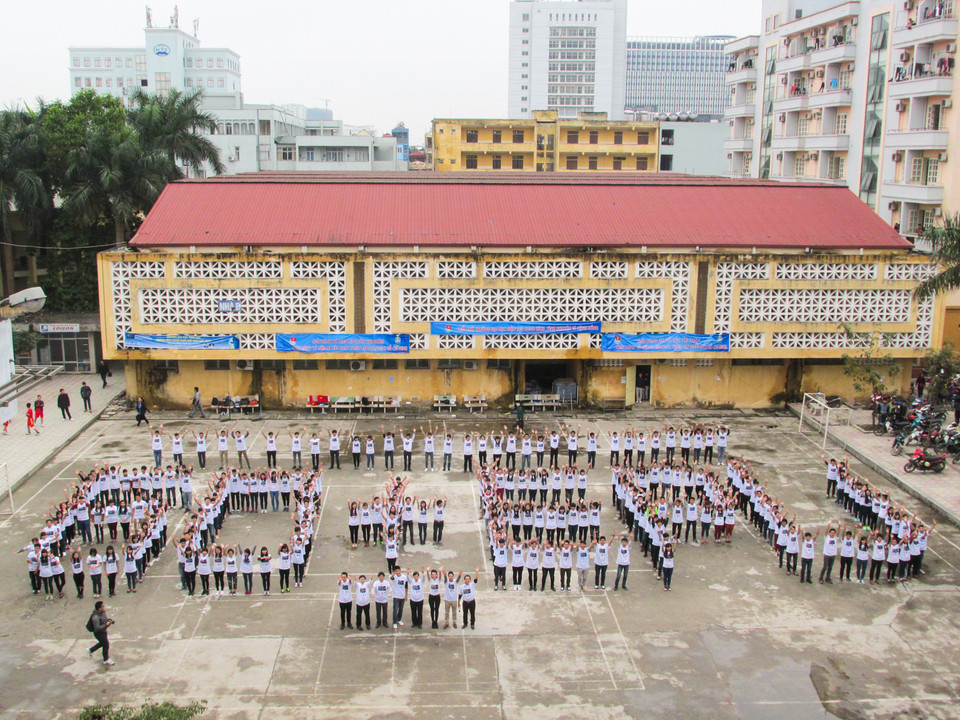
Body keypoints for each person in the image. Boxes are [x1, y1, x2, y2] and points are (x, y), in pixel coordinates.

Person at [87, 600, 115, 665]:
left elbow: (105, 619)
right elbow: (97, 628)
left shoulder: (103, 612)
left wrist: (110, 621)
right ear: (99, 608)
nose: (104, 607)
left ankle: (90, 650)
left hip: (103, 631)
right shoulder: (95, 617)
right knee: (106, 644)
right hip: (99, 634)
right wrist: (106, 625)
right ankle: (106, 659)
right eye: (102, 606)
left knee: (102, 643)